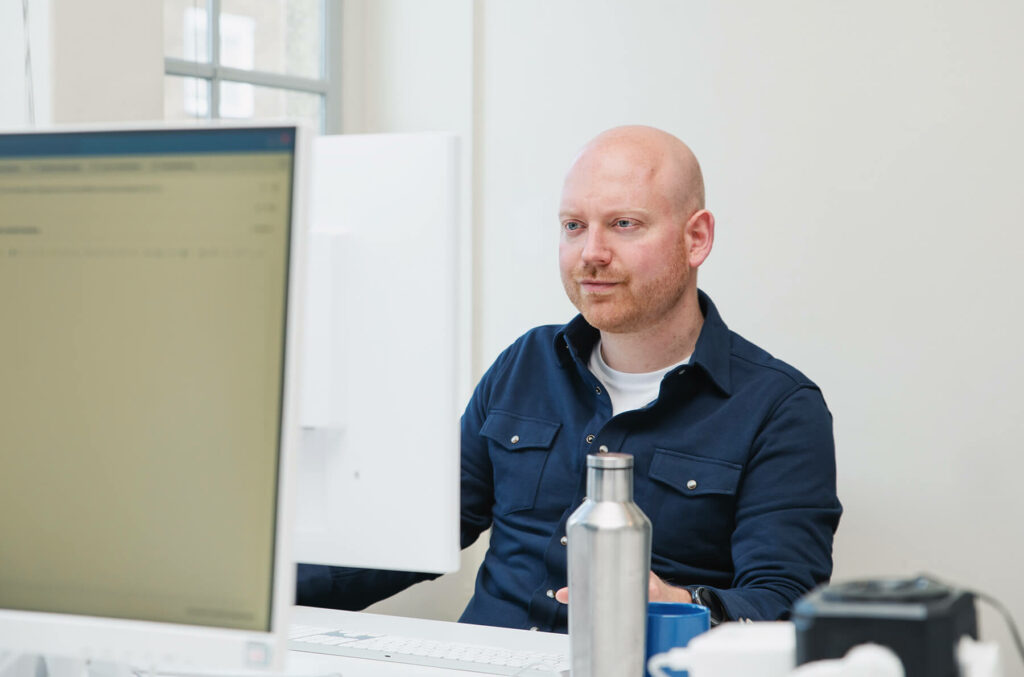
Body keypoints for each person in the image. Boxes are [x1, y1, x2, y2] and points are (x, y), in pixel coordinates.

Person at [296, 125, 842, 632]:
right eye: (574, 226)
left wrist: (678, 602)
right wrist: (272, 587)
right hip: (486, 660)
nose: (591, 254)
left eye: (624, 225)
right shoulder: (526, 362)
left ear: (696, 238)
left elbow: (783, 603)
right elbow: (421, 534)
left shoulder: (779, 407)